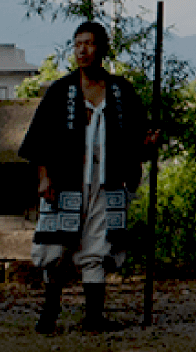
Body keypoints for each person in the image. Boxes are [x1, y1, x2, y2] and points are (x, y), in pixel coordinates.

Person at [19, 21, 151, 334]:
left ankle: (94, 317)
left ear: (101, 48)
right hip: (65, 182)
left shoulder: (121, 92)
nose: (82, 50)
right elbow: (39, 139)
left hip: (107, 181)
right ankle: (49, 314)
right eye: (78, 44)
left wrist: (148, 144)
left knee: (98, 245)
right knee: (55, 247)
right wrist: (44, 177)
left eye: (89, 43)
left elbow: (139, 139)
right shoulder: (60, 91)